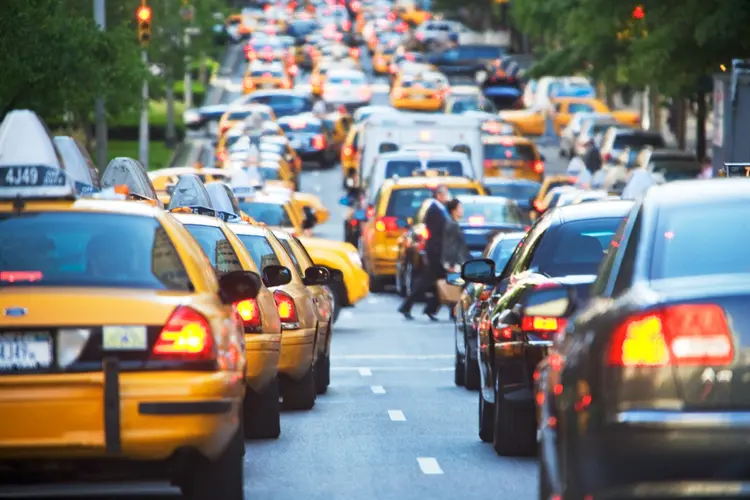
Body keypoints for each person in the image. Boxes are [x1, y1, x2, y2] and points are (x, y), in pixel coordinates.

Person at [398, 185, 451, 321]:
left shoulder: (441, 209)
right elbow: (435, 234)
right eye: (445, 194)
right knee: (432, 282)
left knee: (439, 283)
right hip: (435, 253)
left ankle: (429, 309)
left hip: (438, 252)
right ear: (439, 195)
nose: (447, 197)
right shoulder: (435, 210)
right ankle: (411, 306)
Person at [441, 199, 470, 321]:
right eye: (460, 208)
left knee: (457, 285)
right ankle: (454, 311)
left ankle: (454, 311)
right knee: (457, 285)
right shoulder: (452, 224)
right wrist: (451, 263)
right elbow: (450, 246)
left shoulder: (453, 223)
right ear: (453, 211)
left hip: (457, 260)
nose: (462, 211)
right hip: (455, 261)